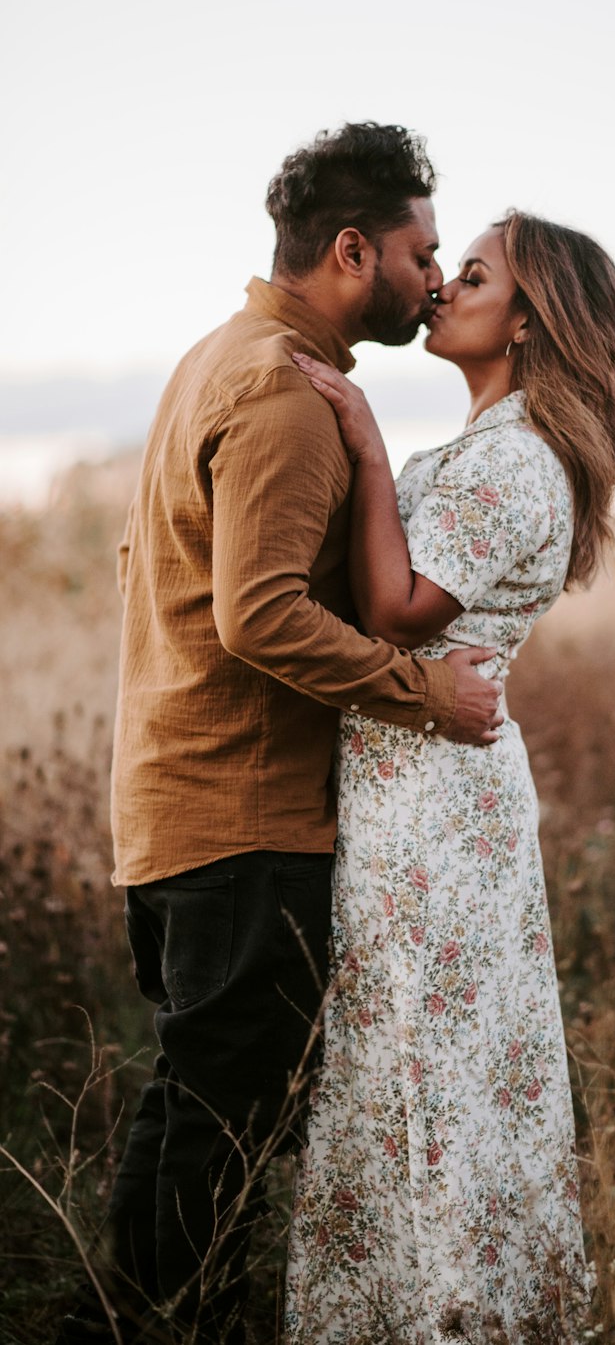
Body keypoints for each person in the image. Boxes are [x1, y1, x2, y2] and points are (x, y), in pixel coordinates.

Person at [56, 124, 504, 1345]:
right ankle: (168, 1322)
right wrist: (429, 694)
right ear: (353, 249)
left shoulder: (220, 357)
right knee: (227, 1113)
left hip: (177, 806)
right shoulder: (282, 394)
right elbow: (259, 618)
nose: (433, 277)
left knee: (195, 1094)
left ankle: (129, 1315)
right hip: (244, 820)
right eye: (420, 253)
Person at [283, 211, 615, 1342]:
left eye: (473, 273)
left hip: (441, 804)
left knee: (442, 1077)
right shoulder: (494, 446)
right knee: (408, 1068)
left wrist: (362, 439)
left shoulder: (518, 460)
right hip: (417, 789)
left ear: (528, 319)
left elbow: (397, 614)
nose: (441, 284)